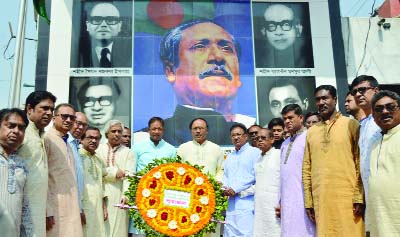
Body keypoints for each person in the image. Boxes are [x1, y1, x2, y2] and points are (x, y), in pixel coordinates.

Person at [159, 18, 253, 146]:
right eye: (200, 47)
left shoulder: (257, 134)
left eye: (226, 48)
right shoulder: (155, 138)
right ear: (171, 72)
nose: (218, 57)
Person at [302, 85, 364, 236]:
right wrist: (309, 201)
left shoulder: (351, 124)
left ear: (335, 100)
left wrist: (359, 196)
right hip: (321, 200)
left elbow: (359, 161)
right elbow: (306, 167)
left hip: (348, 199)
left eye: (325, 98)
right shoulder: (311, 132)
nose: (321, 102)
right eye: (317, 99)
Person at [17, 90, 56, 236]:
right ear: (29, 109)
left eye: (51, 109)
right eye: (44, 108)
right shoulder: (21, 134)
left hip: (38, 209)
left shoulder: (42, 136)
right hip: (20, 208)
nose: (49, 113)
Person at [177, 118, 224, 237]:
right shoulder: (182, 148)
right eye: (195, 129)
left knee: (211, 229)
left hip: (211, 195)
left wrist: (215, 184)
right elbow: (177, 171)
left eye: (201, 128)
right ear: (191, 131)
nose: (198, 131)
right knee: (189, 228)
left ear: (207, 130)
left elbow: (222, 170)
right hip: (189, 197)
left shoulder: (216, 149)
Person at [129, 117, 176, 236]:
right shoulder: (137, 147)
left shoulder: (170, 149)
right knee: (140, 230)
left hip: (162, 197)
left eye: (159, 129)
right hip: (141, 195)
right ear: (148, 130)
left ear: (163, 131)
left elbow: (173, 176)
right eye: (154, 128)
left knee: (159, 229)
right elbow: (131, 171)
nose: (156, 131)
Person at [45, 103, 83, 237]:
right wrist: (47, 210)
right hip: (55, 209)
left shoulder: (66, 142)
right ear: (54, 118)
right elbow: (43, 178)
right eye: (64, 116)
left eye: (72, 118)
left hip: (71, 208)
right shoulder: (47, 139)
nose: (68, 120)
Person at [367, 90, 400, 235]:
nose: (385, 112)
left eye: (390, 107)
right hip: (379, 217)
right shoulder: (375, 142)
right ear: (373, 116)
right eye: (379, 109)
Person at [279, 104, 315, 236]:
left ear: (301, 117)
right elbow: (282, 175)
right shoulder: (285, 143)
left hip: (304, 197)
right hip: (287, 198)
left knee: (305, 230)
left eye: (290, 118)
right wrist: (280, 200)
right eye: (284, 119)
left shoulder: (309, 137)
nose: (287, 121)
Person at [349, 76, 381, 223]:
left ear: (376, 90)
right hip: (369, 193)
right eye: (354, 91)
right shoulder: (361, 125)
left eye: (362, 90)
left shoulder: (386, 119)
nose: (357, 94)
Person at [96, 120, 136, 237]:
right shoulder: (98, 150)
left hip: (119, 196)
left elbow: (129, 176)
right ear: (107, 133)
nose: (117, 134)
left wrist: (126, 196)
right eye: (113, 131)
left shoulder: (128, 152)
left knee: (118, 230)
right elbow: (97, 171)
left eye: (119, 131)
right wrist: (114, 173)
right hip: (100, 194)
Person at [222, 123, 260, 236]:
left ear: (245, 136)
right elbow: (226, 176)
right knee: (230, 232)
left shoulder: (255, 153)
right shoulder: (230, 156)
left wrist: (236, 188)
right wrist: (224, 188)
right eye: (233, 135)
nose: (236, 137)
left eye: (238, 134)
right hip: (231, 204)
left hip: (247, 202)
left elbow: (253, 176)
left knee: (247, 233)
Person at [0, 108, 33, 236]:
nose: (16, 131)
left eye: (21, 128)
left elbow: (25, 208)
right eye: (11, 126)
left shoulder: (22, 164)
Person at [255, 3, 314, 68]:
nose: (279, 32)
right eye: (271, 26)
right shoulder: (260, 61)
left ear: (298, 29)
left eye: (286, 24)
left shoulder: (309, 59)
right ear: (264, 31)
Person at [79, 2, 132, 67]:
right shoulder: (77, 54)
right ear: (88, 25)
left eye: (111, 19)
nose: (103, 25)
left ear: (119, 26)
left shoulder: (131, 53)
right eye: (97, 19)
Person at [80, 126, 108, 237]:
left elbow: (101, 184)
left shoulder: (98, 159)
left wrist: (104, 207)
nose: (93, 141)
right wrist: (78, 209)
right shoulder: (77, 157)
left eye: (97, 138)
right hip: (84, 207)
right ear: (82, 139)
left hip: (98, 208)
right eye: (90, 137)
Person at [253, 128, 281, 236]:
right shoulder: (258, 159)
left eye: (263, 138)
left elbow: (285, 182)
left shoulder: (278, 154)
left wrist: (282, 203)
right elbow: (258, 183)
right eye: (257, 138)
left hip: (274, 204)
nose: (259, 140)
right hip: (260, 206)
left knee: (275, 231)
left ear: (272, 139)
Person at [68, 112, 88, 226]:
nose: (80, 127)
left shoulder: (76, 145)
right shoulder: (64, 142)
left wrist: (80, 209)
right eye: (78, 123)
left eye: (84, 125)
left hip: (76, 205)